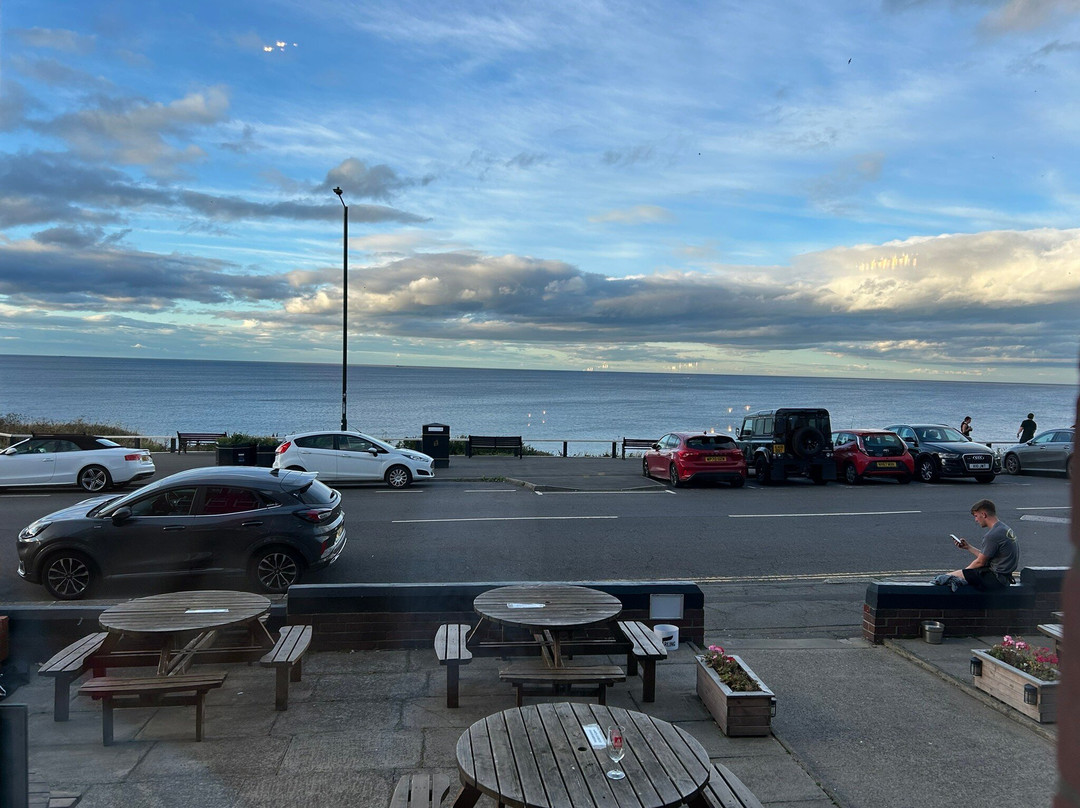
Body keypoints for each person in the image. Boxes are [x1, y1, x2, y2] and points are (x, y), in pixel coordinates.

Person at [947, 499, 1019, 591]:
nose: (976, 520)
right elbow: (986, 557)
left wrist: (964, 573)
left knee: (945, 578)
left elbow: (980, 562)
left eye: (976, 516)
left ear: (984, 515)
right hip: (1005, 578)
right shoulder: (1003, 528)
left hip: (995, 580)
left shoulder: (993, 535)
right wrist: (968, 547)